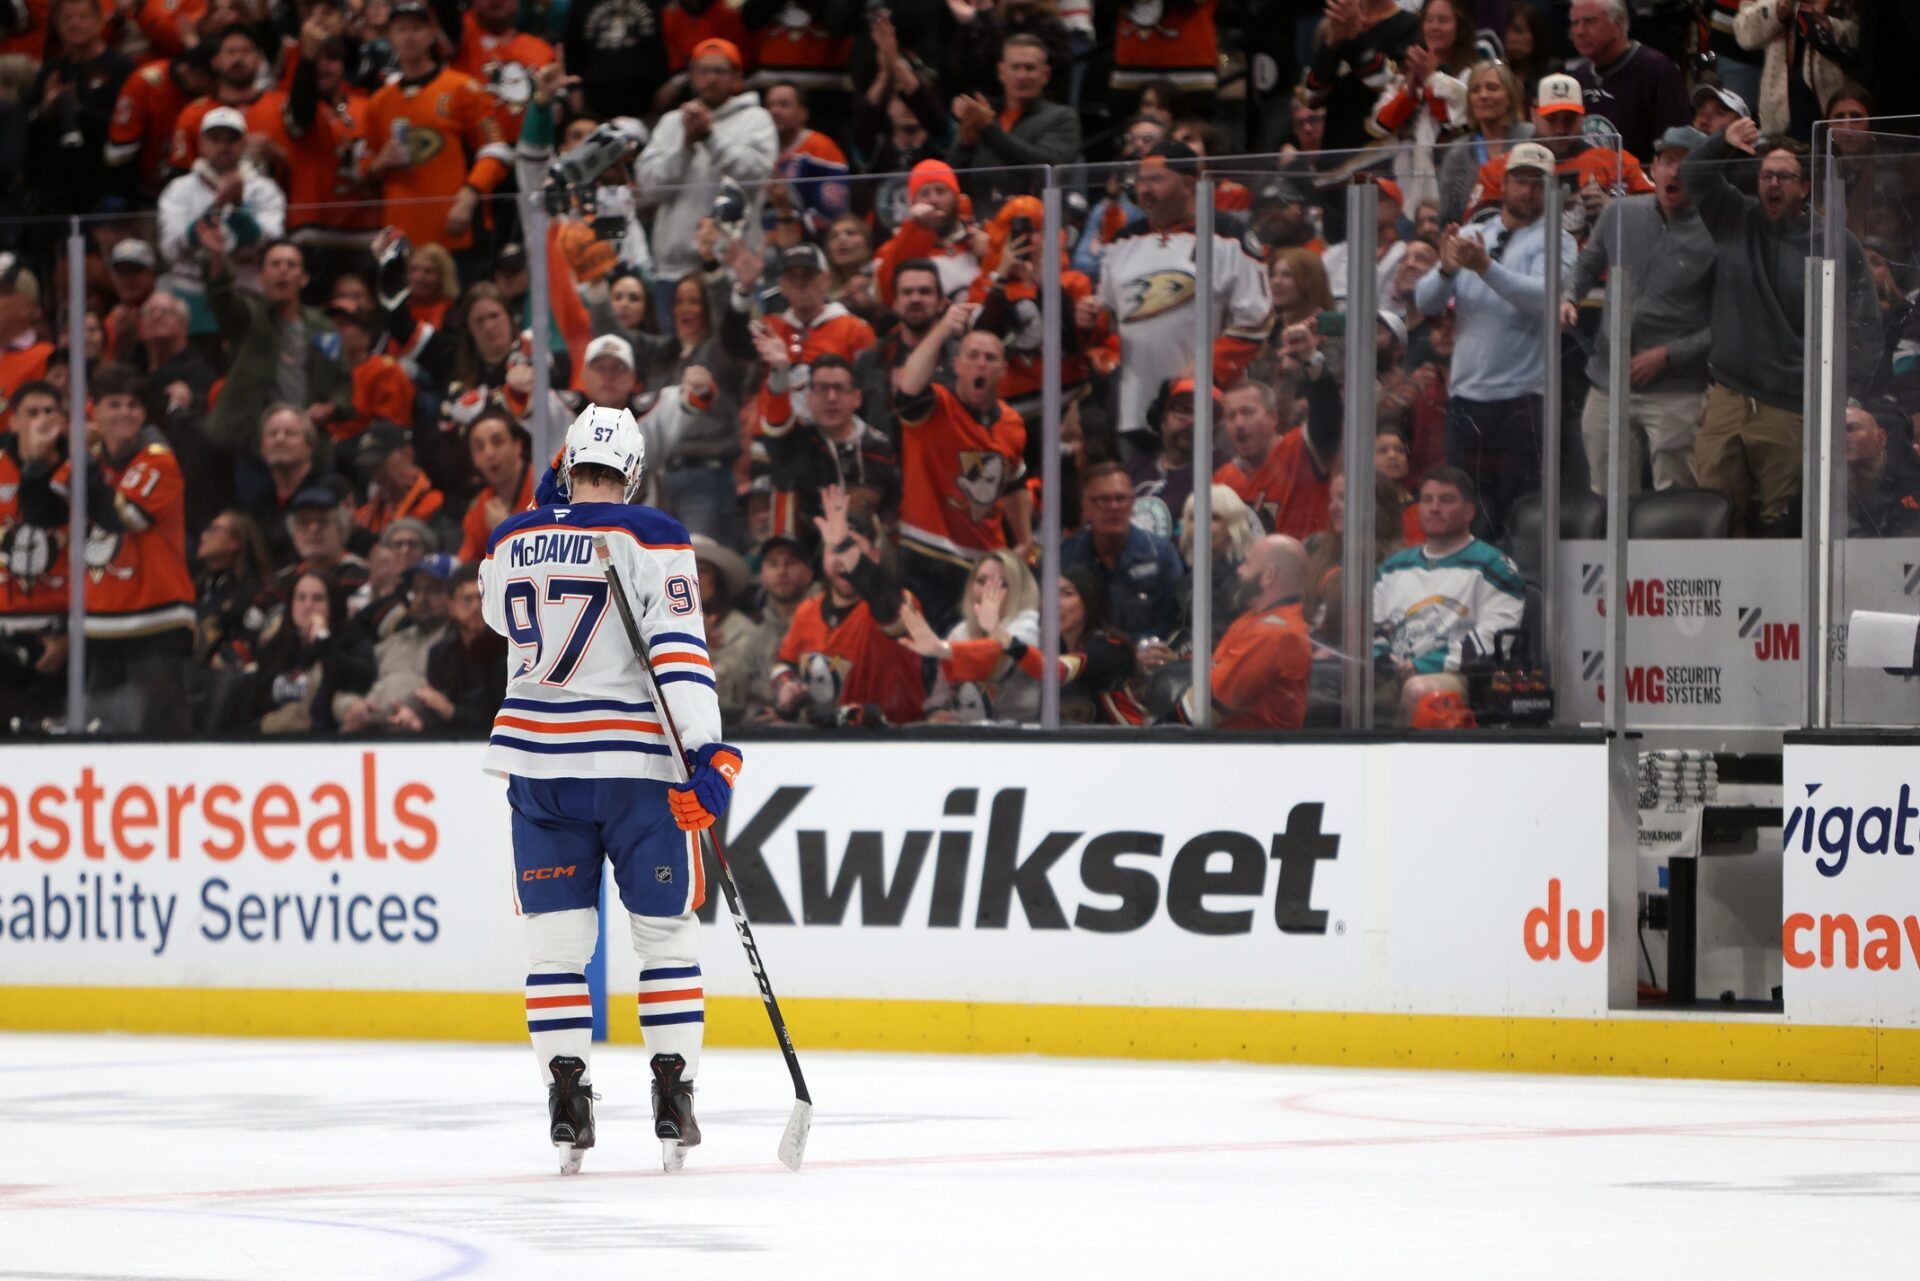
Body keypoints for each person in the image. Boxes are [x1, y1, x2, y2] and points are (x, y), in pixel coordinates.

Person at [1684, 120, 1879, 535]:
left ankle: (1780, 602)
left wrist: (1844, 393)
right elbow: (1692, 174)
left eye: (1784, 177)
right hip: (1728, 396)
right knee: (1716, 512)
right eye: (1766, 175)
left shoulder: (1833, 241)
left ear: (1804, 188)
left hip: (1790, 405)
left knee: (1783, 519)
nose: (1773, 183)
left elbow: (1863, 324)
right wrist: (1722, 142)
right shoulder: (1734, 218)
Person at [17, 364, 195, 734]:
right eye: (114, 404)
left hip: (155, 619)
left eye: (132, 405)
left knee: (161, 733)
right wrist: (36, 461)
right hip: (99, 622)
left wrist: (80, 458)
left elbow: (120, 516)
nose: (125, 413)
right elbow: (45, 516)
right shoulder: (92, 459)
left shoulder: (158, 458)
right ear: (94, 410)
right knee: (98, 733)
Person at [1416, 142, 1577, 539]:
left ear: (1551, 190)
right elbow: (1425, 301)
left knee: (1521, 512)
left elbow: (1544, 297)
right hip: (1467, 397)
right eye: (1520, 181)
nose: (1528, 191)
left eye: (1538, 184)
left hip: (1523, 398)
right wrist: (1448, 270)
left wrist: (1483, 266)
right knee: (1466, 512)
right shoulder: (1473, 232)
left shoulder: (1558, 239)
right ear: (1503, 183)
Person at [1565, 126, 1715, 496]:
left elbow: (1728, 321)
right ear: (1654, 168)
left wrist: (1669, 354)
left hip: (1678, 386)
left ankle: (1674, 558)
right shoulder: (1620, 213)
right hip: (1608, 380)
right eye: (1666, 162)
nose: (1673, 172)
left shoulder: (1719, 231)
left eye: (1685, 164)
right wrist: (1568, 296)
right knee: (1606, 492)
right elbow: (1586, 265)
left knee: (1678, 494)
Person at [1092, 140, 1271, 438]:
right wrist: (1094, 331)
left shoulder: (1228, 235)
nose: (1144, 190)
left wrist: (1206, 370)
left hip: (1206, 408)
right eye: (1140, 181)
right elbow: (1108, 322)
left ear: (1188, 184)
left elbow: (1256, 320)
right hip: (1132, 410)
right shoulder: (1122, 241)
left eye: (1155, 180)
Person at [893, 303, 1032, 632]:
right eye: (972, 356)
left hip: (983, 566)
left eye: (990, 358)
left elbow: (1014, 482)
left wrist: (1024, 539)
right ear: (955, 365)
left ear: (1003, 371)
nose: (980, 363)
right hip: (924, 555)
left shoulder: (1012, 423)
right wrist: (941, 330)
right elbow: (909, 385)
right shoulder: (934, 406)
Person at [358, 0, 510, 254]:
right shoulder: (378, 103)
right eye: (401, 29)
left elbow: (497, 151)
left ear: (431, 33)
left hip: (456, 229)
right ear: (390, 37)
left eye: (417, 28)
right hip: (402, 237)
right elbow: (363, 163)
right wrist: (376, 165)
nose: (409, 36)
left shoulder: (463, 88)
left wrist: (469, 195)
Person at [1373, 467, 1525, 721]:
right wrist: (1382, 662)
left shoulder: (1494, 566)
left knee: (1418, 691)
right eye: (1426, 500)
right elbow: (1372, 627)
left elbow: (1495, 638)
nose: (1434, 507)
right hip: (1393, 673)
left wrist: (1421, 667)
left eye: (1446, 500)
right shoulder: (1393, 567)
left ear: (1469, 512)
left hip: (1458, 676)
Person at [770, 485, 925, 727]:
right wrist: (786, 687)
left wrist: (843, 545)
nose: (841, 558)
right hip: (822, 746)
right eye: (833, 549)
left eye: (851, 546)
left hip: (892, 745)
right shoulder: (807, 610)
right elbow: (785, 664)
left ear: (874, 556)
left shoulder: (901, 603)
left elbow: (882, 597)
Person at [634, 39, 777, 292]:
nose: (711, 78)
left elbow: (756, 176)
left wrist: (710, 138)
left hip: (734, 267)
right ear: (692, 76)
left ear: (737, 76)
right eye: (704, 70)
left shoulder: (757, 119)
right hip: (674, 269)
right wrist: (686, 146)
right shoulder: (672, 123)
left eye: (720, 71)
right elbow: (650, 187)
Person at [757, 351, 900, 542]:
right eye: (822, 388)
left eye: (840, 388)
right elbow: (776, 423)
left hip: (865, 558)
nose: (831, 397)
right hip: (801, 558)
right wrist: (781, 370)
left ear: (857, 398)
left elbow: (891, 511)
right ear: (809, 397)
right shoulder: (794, 441)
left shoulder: (881, 449)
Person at [899, 547, 1044, 724]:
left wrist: (942, 649)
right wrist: (937, 714)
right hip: (967, 741)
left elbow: (996, 654)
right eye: (981, 581)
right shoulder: (961, 632)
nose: (986, 592)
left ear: (1019, 591)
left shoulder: (1029, 625)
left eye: (1002, 584)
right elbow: (938, 700)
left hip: (1021, 741)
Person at [0, 380, 70, 727]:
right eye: (32, 413)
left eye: (50, 412)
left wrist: (72, 635)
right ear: (12, 421)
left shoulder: (79, 467)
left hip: (63, 628)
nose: (42, 420)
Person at [1197, 534, 1313, 731]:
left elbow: (1208, 706)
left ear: (1269, 575)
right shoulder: (1258, 617)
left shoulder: (1272, 633)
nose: (1239, 570)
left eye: (1248, 564)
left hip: (1250, 754)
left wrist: (1152, 728)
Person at [1061, 461, 1184, 644]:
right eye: (1103, 499)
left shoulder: (1161, 554)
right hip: (1085, 661)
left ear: (1133, 504)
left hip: (1147, 660)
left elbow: (1175, 623)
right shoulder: (1065, 557)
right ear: (1085, 506)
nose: (1114, 507)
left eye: (1121, 498)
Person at [1214, 377, 1338, 541]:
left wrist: (1313, 365)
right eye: (1231, 416)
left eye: (1247, 412)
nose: (1239, 423)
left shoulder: (1302, 449)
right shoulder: (1222, 481)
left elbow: (1328, 412)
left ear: (1273, 417)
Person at [1564, 0, 1688, 163]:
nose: (1579, 31)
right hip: (1587, 183)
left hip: (1642, 184)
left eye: (1589, 21)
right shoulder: (1577, 77)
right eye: (1575, 23)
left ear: (1619, 22)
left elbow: (1676, 145)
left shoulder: (1656, 70)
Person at [948, 33, 1080, 174]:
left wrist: (988, 130)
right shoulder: (981, 116)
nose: (1022, 76)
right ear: (1001, 72)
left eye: (1030, 68)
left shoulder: (1062, 118)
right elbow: (949, 178)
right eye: (1015, 67)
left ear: (1046, 75)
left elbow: (1048, 166)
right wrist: (966, 144)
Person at [1437, 61, 1535, 225]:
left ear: (1510, 97)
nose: (1483, 96)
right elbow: (1448, 217)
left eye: (1492, 88)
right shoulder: (1458, 153)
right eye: (1475, 90)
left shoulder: (1531, 137)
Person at [355, 420, 449, 542]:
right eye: (369, 468)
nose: (375, 474)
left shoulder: (437, 503)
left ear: (407, 454)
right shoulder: (363, 517)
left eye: (380, 464)